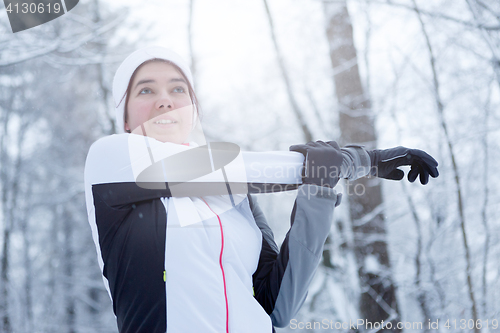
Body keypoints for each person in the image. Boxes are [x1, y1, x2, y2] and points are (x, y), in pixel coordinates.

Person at [84, 46, 439, 333]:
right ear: (125, 117)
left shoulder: (235, 195)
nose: (165, 100)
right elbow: (245, 166)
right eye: (146, 90)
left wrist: (318, 194)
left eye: (178, 89)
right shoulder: (109, 161)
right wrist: (362, 160)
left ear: (193, 111)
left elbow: (277, 304)